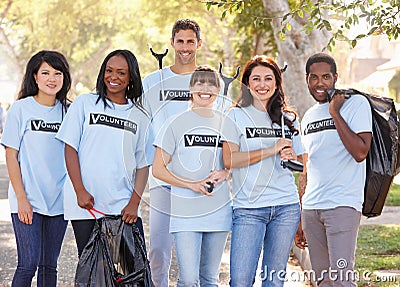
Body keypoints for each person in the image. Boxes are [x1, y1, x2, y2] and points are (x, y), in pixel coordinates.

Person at [56, 49, 153, 257]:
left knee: (127, 271)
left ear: (131, 77)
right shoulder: (85, 103)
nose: (113, 77)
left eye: (121, 73)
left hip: (122, 206)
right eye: (109, 71)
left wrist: (134, 203)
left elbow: (143, 163)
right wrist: (79, 191)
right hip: (85, 205)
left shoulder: (140, 115)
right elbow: (70, 148)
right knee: (93, 269)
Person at [222, 55, 304, 286]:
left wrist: (292, 156)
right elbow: (229, 160)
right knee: (240, 280)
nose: (262, 84)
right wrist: (271, 149)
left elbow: (303, 163)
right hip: (248, 208)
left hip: (285, 207)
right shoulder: (235, 115)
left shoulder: (288, 119)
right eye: (256, 78)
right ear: (247, 83)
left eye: (268, 78)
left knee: (274, 280)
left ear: (277, 83)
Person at [152, 66, 232, 286]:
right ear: (190, 88)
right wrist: (192, 184)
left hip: (218, 211)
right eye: (200, 84)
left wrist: (226, 172)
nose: (205, 89)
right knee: (188, 280)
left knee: (210, 279)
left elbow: (235, 163)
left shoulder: (227, 123)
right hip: (185, 212)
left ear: (218, 89)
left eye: (211, 84)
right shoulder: (175, 123)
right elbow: (158, 169)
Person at [300, 53, 372, 286]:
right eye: (314, 77)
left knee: (342, 280)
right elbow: (307, 167)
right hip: (312, 209)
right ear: (307, 79)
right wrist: (301, 214)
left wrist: (334, 113)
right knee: (322, 281)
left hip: (342, 205)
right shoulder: (309, 116)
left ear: (335, 78)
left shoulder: (356, 104)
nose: (320, 83)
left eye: (326, 77)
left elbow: (361, 152)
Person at [1, 50, 71, 287]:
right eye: (46, 72)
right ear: (35, 77)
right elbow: (11, 156)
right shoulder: (21, 109)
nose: (52, 78)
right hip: (27, 198)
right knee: (28, 264)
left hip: (59, 201)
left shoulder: (69, 111)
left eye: (57, 73)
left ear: (64, 78)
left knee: (49, 267)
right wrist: (21, 198)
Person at [142, 18, 203, 287]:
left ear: (199, 44)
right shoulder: (153, 81)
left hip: (197, 179)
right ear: (172, 43)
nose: (185, 47)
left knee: (194, 254)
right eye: (180, 41)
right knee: (158, 248)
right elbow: (142, 125)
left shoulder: (209, 80)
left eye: (191, 41)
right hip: (162, 179)